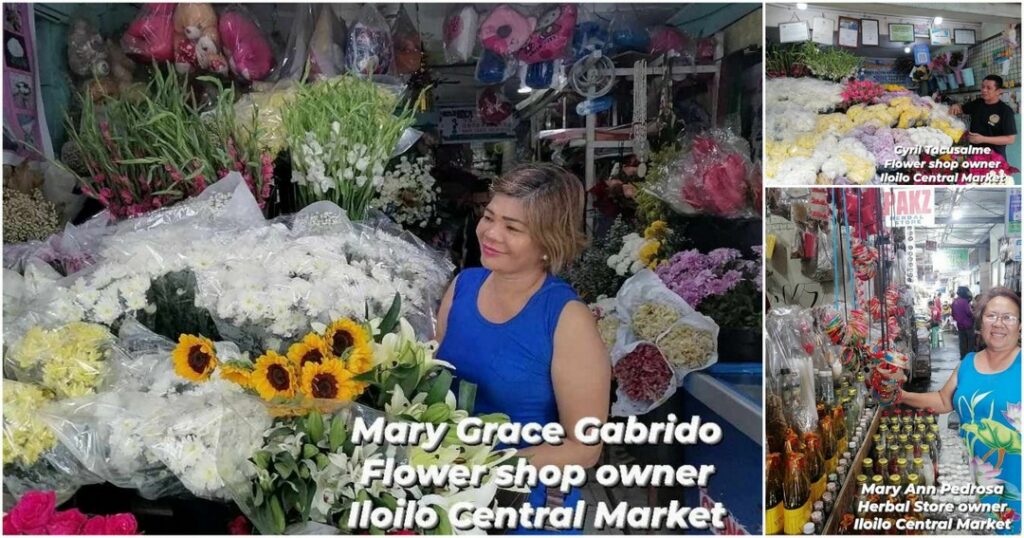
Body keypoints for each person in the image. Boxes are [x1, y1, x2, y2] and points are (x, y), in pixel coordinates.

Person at [435, 163, 611, 534]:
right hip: (449, 491)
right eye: (489, 217)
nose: (492, 233)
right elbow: (434, 380)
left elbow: (585, 446)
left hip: (526, 502)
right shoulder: (463, 286)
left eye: (513, 228)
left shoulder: (567, 319)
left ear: (549, 243)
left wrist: (490, 465)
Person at [891, 287, 1021, 535]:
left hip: (1015, 481)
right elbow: (943, 400)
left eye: (1009, 317)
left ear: (1020, 325)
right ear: (980, 322)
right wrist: (901, 396)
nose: (999, 324)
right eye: (991, 316)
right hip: (969, 478)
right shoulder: (968, 363)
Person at [949, 75, 1018, 160]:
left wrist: (983, 139)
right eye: (982, 87)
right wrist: (955, 106)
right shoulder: (978, 103)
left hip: (994, 157)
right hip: (974, 155)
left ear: (999, 91)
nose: (984, 90)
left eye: (989, 88)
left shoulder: (1005, 111)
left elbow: (1010, 139)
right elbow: (961, 108)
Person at [952, 286, 976, 359]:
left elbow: (953, 314)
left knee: (962, 342)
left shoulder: (954, 302)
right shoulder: (964, 301)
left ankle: (963, 357)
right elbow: (968, 313)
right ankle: (969, 358)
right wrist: (973, 314)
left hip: (960, 325)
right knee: (970, 342)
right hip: (968, 325)